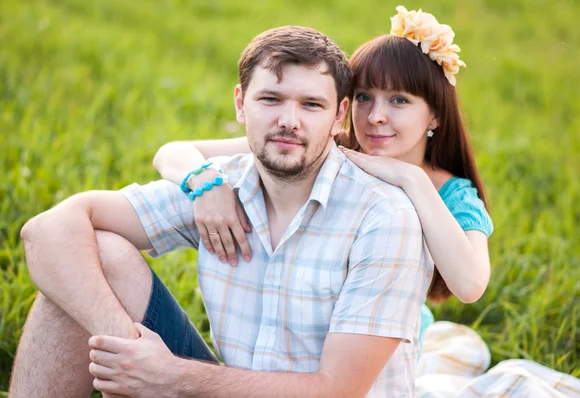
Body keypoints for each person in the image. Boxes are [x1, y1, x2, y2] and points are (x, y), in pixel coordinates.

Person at [10, 24, 432, 398]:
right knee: (94, 258)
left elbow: (338, 390)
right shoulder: (221, 186)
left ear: (339, 114)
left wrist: (171, 376)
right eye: (271, 99)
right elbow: (47, 231)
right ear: (240, 103)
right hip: (220, 388)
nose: (289, 120)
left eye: (311, 105)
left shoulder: (384, 217)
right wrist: (131, 351)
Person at [153, 5, 493, 355]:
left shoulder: (451, 193)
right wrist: (206, 182)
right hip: (301, 326)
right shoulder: (322, 148)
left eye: (398, 100)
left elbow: (469, 285)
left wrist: (412, 180)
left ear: (435, 115)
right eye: (365, 97)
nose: (376, 116)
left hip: (382, 345)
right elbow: (173, 152)